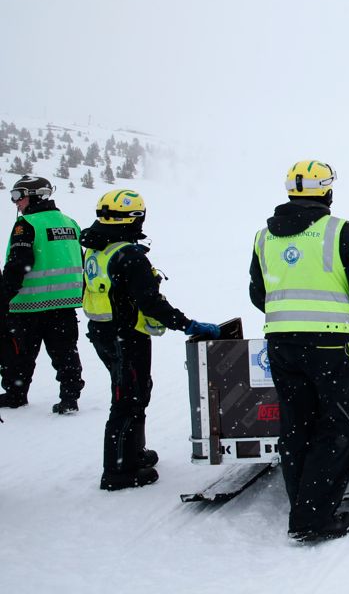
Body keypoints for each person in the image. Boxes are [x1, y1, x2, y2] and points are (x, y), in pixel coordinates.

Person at [249, 160, 349, 542]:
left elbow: (259, 293)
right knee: (338, 425)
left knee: (296, 424)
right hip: (329, 343)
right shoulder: (339, 232)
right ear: (326, 191)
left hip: (282, 343)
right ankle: (313, 517)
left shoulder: (263, 237)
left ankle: (303, 502)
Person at [80, 189, 220, 491]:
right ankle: (118, 472)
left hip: (105, 333)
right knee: (127, 399)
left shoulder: (97, 249)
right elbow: (150, 303)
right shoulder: (128, 255)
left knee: (135, 391)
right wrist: (187, 324)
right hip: (125, 336)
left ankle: (134, 452)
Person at [0, 176, 85, 413]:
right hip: (65, 304)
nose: (15, 202)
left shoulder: (25, 225)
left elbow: (18, 265)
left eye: (18, 196)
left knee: (20, 354)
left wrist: (3, 297)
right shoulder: (70, 222)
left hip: (29, 305)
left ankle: (16, 394)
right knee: (66, 352)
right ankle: (70, 397)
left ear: (34, 195)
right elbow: (81, 258)